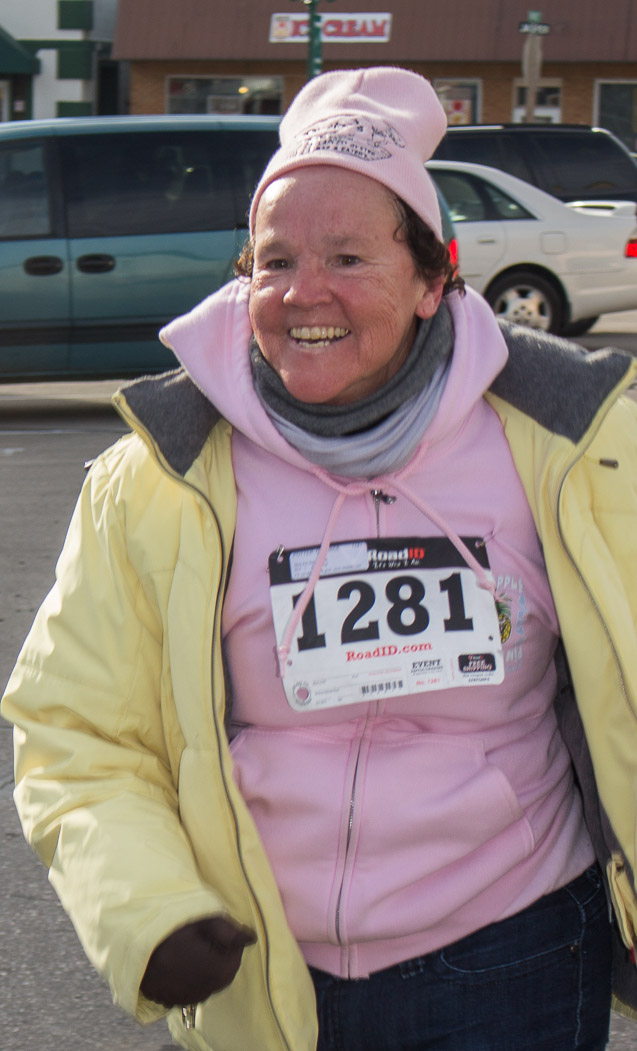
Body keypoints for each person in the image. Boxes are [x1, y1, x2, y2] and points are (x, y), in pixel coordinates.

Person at [2, 67, 637, 1051]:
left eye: (348, 256)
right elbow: (75, 727)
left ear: (432, 281)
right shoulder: (161, 476)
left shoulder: (576, 447)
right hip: (260, 965)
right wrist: (147, 908)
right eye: (275, 260)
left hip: (514, 956)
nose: (305, 292)